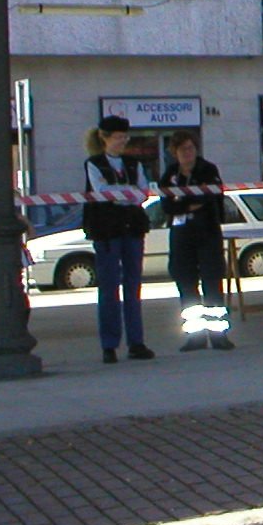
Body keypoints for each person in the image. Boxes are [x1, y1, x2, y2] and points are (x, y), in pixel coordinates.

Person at [83, 115, 156, 363]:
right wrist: (127, 194)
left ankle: (136, 342)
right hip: (107, 229)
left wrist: (123, 195)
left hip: (132, 227)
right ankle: (109, 344)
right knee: (109, 287)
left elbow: (143, 192)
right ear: (105, 138)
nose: (122, 141)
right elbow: (101, 193)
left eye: (125, 137)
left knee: (133, 285)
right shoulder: (93, 164)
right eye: (118, 137)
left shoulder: (133, 163)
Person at [158, 130, 233, 352]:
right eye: (182, 150)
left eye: (191, 148)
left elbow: (209, 198)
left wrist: (184, 202)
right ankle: (195, 337)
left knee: (212, 282)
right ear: (174, 152)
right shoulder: (170, 174)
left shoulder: (208, 170)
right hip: (181, 235)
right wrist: (185, 205)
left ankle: (219, 335)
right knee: (186, 283)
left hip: (207, 232)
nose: (187, 153)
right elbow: (167, 205)